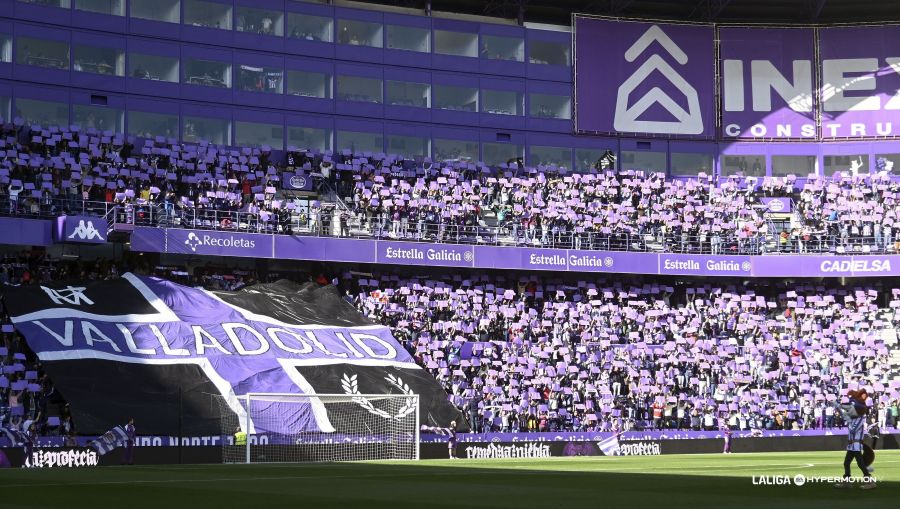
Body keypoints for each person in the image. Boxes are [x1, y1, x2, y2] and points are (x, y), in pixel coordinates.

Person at [833, 390, 876, 490]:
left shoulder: (861, 419)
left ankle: (869, 481)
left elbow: (853, 429)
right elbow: (845, 417)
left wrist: (847, 418)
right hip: (851, 446)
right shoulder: (853, 418)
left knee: (861, 464)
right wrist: (838, 408)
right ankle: (847, 482)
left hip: (856, 445)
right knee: (846, 463)